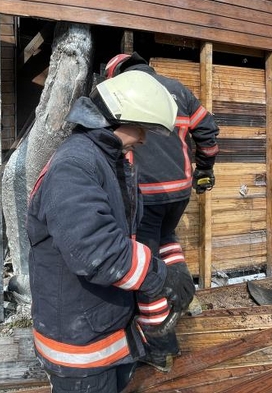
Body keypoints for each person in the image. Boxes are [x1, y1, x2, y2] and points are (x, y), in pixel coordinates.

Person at [26, 70, 196, 393]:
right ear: (121, 117)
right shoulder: (73, 166)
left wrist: (174, 269)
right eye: (142, 129)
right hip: (79, 354)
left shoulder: (114, 164)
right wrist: (160, 277)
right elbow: (98, 252)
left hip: (106, 335)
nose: (144, 139)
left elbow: (138, 234)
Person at [104, 52, 220, 372]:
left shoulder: (121, 92)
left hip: (145, 195)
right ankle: (185, 296)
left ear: (117, 75)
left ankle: (161, 344)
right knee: (166, 239)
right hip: (179, 192)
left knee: (144, 265)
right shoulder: (178, 89)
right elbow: (208, 131)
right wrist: (204, 169)